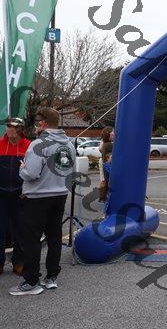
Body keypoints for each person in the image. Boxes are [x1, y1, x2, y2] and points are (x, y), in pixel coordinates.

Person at [9, 107, 76, 296]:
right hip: (60, 195)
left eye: (38, 122)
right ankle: (51, 277)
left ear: (43, 123)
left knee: (31, 239)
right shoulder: (69, 144)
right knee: (54, 237)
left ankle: (32, 281)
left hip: (37, 198)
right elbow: (72, 171)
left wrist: (22, 168)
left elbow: (31, 173)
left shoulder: (38, 144)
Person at [0, 118, 31, 276]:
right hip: (1, 194)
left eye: (15, 127)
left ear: (22, 130)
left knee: (20, 230)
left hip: (21, 195)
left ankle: (19, 262)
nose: (11, 129)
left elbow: (34, 172)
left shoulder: (29, 146)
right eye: (8, 126)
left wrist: (27, 190)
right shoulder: (0, 144)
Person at [98, 126, 114, 202]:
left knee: (104, 180)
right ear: (108, 134)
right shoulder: (109, 144)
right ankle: (103, 197)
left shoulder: (106, 143)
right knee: (104, 180)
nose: (115, 134)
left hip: (104, 163)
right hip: (105, 164)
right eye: (113, 132)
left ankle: (103, 197)